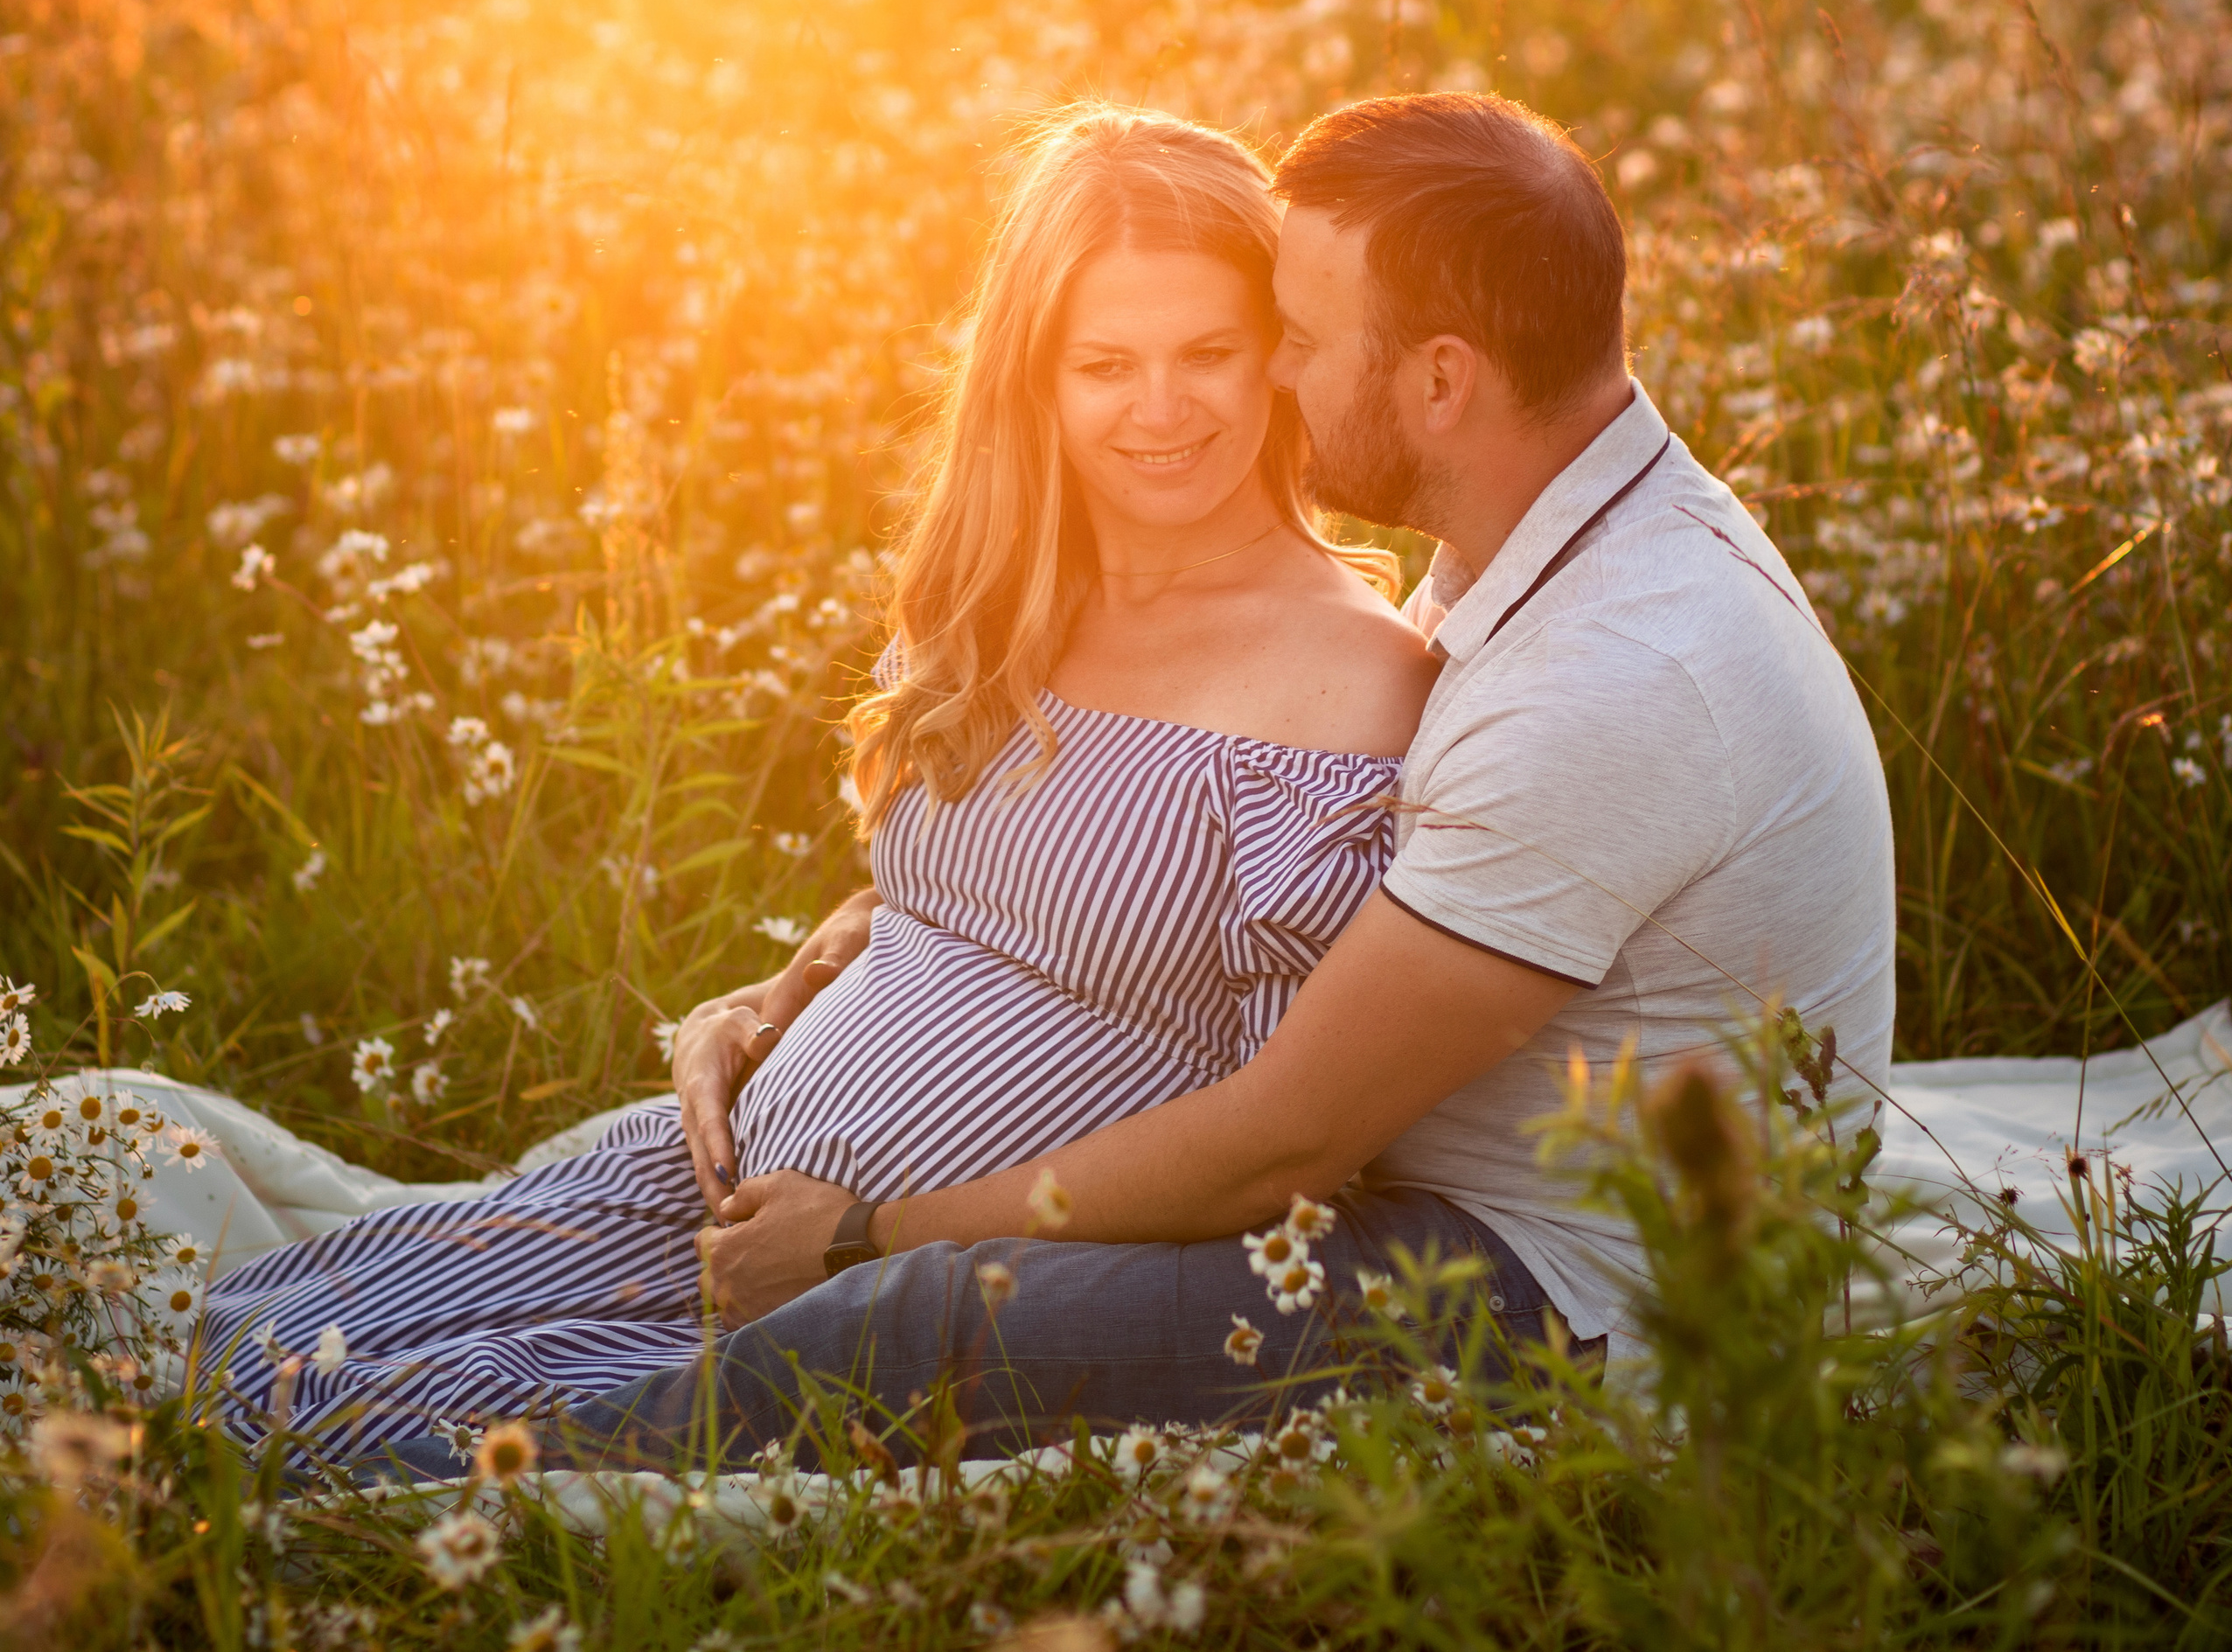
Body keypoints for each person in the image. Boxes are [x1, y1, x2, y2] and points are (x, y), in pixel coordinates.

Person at [543, 88, 1894, 1464]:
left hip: (1553, 1287)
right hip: (1441, 1201)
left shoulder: (1617, 674)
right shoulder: (1550, 535)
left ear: (1441, 382)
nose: (1273, 380)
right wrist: (822, 969)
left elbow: (1283, 1138)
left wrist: (861, 1235)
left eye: (1292, 340)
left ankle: (459, 1488)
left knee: (916, 1326)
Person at [202, 107, 1439, 1457]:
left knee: (316, 1444)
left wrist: (860, 1239)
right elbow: (961, 907)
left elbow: (1276, 1139)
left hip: (880, 1303)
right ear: (1033, 377)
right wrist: (770, 1000)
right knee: (215, 1353)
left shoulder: (1346, 680)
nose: (1160, 409)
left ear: (1280, 354)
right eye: (1104, 363)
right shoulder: (1006, 599)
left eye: (1208, 352)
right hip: (712, 1194)